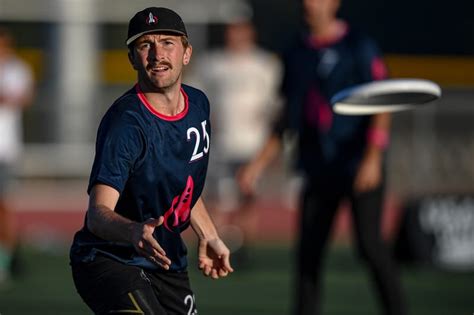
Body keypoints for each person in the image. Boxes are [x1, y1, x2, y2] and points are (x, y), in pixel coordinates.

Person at [238, 0, 407, 314]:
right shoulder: (296, 52)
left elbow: (382, 103)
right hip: (318, 167)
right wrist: (257, 165)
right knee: (308, 254)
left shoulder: (359, 45)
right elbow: (287, 116)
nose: (308, 4)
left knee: (370, 247)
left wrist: (372, 157)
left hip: (358, 164)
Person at [69, 7, 233, 314]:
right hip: (110, 259)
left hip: (166, 260)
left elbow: (182, 185)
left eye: (168, 42)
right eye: (146, 45)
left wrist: (209, 236)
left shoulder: (198, 105)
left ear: (187, 53)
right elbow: (98, 213)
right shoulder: (126, 124)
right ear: (132, 58)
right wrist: (133, 231)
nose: (157, 54)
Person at [188, 19, 282, 266]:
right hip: (221, 144)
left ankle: (245, 251)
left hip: (253, 144)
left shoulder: (264, 64)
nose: (235, 36)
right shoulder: (212, 63)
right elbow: (194, 94)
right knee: (217, 197)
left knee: (248, 196)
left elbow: (275, 102)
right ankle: (209, 243)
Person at [0, 27, 34, 286]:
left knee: (4, 205)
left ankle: (4, 262)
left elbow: (20, 98)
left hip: (5, 149)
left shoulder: (17, 70)